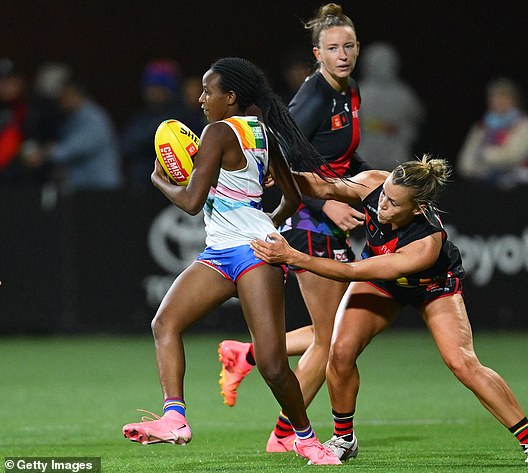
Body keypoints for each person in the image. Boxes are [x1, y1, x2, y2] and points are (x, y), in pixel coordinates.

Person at [250, 155, 528, 464]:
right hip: (384, 282)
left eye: (394, 203)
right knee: (339, 352)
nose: (383, 204)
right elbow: (320, 186)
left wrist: (293, 256)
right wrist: (275, 171)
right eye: (385, 195)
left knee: (461, 362)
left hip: (431, 285)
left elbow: (354, 271)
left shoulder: (425, 244)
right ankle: (344, 439)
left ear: (417, 208)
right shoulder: (373, 183)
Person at [121, 57, 341, 465]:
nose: (202, 98)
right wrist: (264, 227)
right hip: (230, 251)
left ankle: (307, 439)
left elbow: (190, 202)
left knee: (273, 365)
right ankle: (174, 418)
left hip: (248, 254)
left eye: (209, 91)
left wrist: (158, 180)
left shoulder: (218, 132)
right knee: (165, 322)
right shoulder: (264, 132)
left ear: (231, 97)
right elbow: (292, 199)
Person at [218, 2, 369, 453]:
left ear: (358, 49)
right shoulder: (316, 96)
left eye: (349, 46)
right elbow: (283, 159)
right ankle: (286, 437)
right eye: (332, 48)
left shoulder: (350, 90)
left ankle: (244, 356)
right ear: (317, 54)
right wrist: (326, 205)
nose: (342, 54)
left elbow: (337, 159)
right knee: (332, 340)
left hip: (326, 219)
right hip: (307, 223)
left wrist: (365, 186)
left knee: (335, 334)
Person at [21, 74, 122, 193]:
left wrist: (44, 154)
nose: (60, 100)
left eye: (64, 95)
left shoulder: (94, 118)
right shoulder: (72, 118)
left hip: (102, 189)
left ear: (75, 94)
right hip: (83, 189)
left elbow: (72, 148)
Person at [456, 77, 528, 189]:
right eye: (494, 97)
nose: (499, 101)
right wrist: (482, 169)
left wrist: (485, 156)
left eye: (504, 96)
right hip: (485, 186)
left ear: (515, 100)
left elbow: (514, 156)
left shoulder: (525, 123)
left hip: (521, 188)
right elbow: (465, 164)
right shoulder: (481, 127)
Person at [356, 41, 426, 170]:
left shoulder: (403, 93)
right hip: (367, 151)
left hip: (395, 151)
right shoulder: (360, 92)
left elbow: (417, 116)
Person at [121, 59, 187, 190]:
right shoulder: (143, 115)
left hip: (172, 188)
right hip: (142, 186)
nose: (152, 91)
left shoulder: (181, 116)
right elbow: (126, 145)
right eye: (150, 87)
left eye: (158, 87)